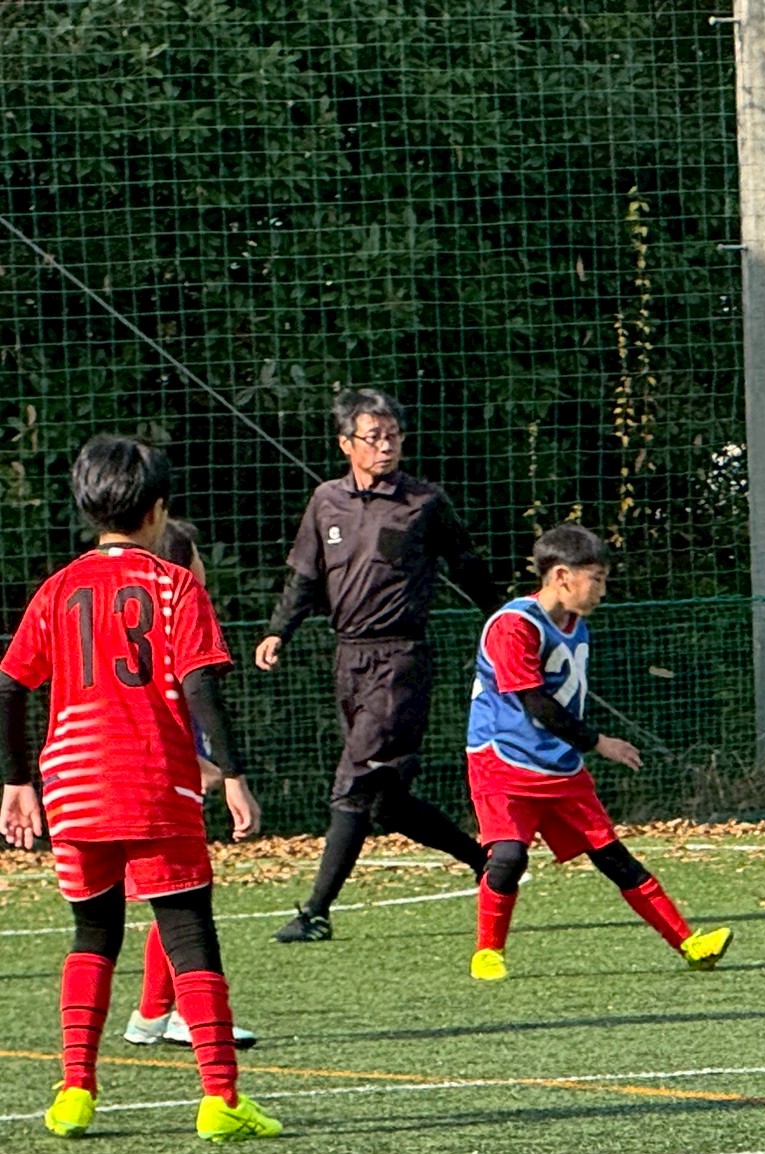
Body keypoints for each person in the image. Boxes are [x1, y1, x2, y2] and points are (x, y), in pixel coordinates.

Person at [0, 436, 280, 1140]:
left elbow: (8, 685)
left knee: (92, 932)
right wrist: (234, 774)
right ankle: (221, 1099)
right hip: (154, 781)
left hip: (72, 785)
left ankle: (75, 1091)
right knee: (188, 931)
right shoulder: (175, 585)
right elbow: (200, 686)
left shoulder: (57, 589)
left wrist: (17, 782)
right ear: (158, 510)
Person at [257, 388, 503, 943]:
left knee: (354, 782)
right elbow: (304, 577)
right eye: (374, 436)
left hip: (400, 661)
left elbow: (468, 566)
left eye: (394, 435)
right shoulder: (326, 501)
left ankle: (315, 912)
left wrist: (509, 621)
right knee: (387, 805)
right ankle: (486, 862)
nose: (387, 446)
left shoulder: (425, 502)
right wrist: (277, 631)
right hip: (348, 659)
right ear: (346, 444)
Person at [465, 524, 731, 979]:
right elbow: (535, 702)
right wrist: (598, 742)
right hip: (502, 762)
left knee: (611, 855)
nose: (603, 590)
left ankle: (690, 944)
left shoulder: (576, 625)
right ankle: (488, 952)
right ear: (561, 576)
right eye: (597, 578)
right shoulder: (514, 626)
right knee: (508, 857)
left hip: (559, 764)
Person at [121, 516, 259, 1050]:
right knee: (182, 893)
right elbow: (182, 697)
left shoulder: (141, 612)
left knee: (175, 895)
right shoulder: (179, 608)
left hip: (147, 774)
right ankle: (181, 1013)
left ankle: (151, 1013)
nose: (203, 565)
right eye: (198, 556)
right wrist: (213, 767)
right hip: (159, 776)